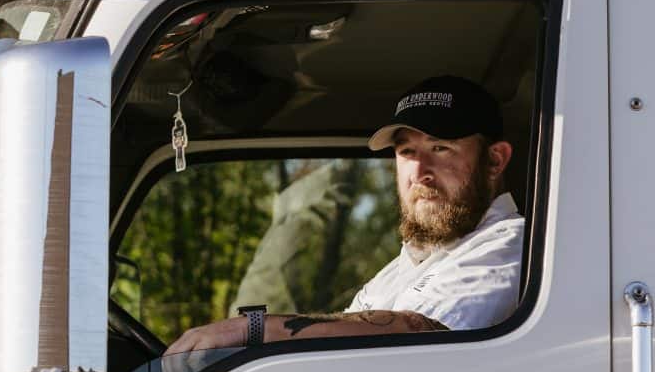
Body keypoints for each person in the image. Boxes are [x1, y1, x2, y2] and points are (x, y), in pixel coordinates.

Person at [165, 75, 524, 357]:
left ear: (494, 160)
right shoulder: (402, 268)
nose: (419, 171)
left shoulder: (512, 245)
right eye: (407, 151)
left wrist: (249, 329)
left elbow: (422, 334)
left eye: (440, 148)